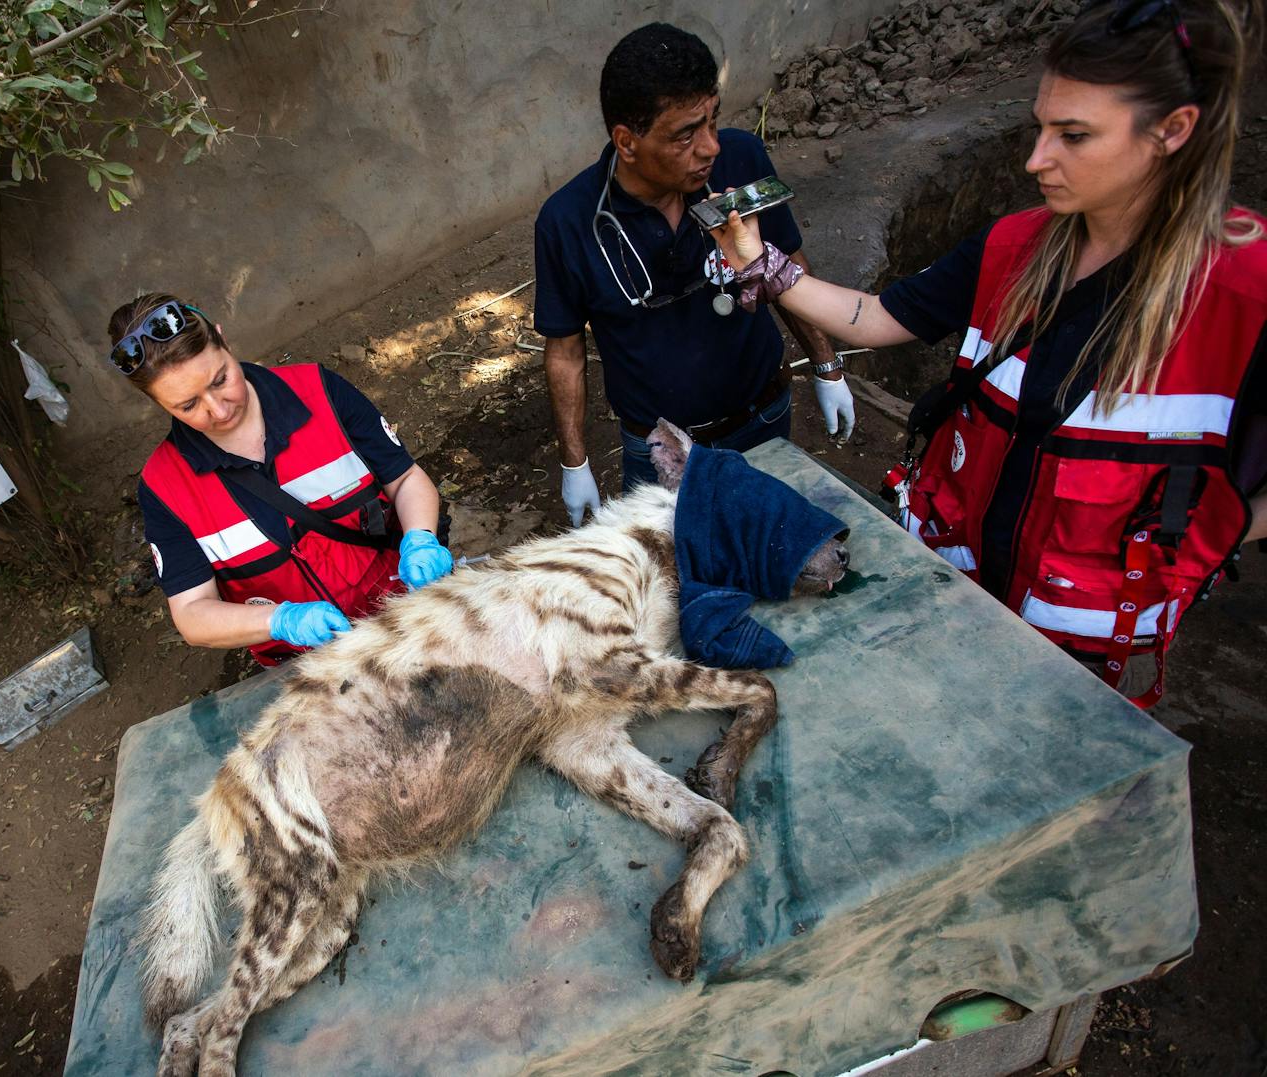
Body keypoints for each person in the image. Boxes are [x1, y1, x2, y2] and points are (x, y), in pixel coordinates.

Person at [709, 0, 1267, 704]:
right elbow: (878, 317)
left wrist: (1210, 534)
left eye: (1074, 135)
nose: (1037, 160)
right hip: (956, 600)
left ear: (1173, 130)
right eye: (1041, 128)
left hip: (1083, 658)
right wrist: (765, 266)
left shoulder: (1246, 296)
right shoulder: (1017, 246)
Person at [533, 22, 854, 525]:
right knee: (678, 585)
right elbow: (566, 351)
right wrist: (575, 463)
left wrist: (826, 365)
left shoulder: (741, 160)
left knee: (771, 552)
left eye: (712, 121)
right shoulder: (567, 222)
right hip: (660, 451)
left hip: (764, 416)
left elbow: (788, 267)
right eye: (686, 134)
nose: (711, 147)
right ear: (627, 141)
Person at [110, 294, 454, 666]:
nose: (219, 410)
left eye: (221, 380)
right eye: (188, 405)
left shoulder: (320, 391)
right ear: (158, 403)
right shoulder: (164, 488)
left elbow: (404, 479)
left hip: (409, 613)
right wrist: (279, 621)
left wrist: (421, 538)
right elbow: (193, 613)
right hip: (312, 664)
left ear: (224, 341)